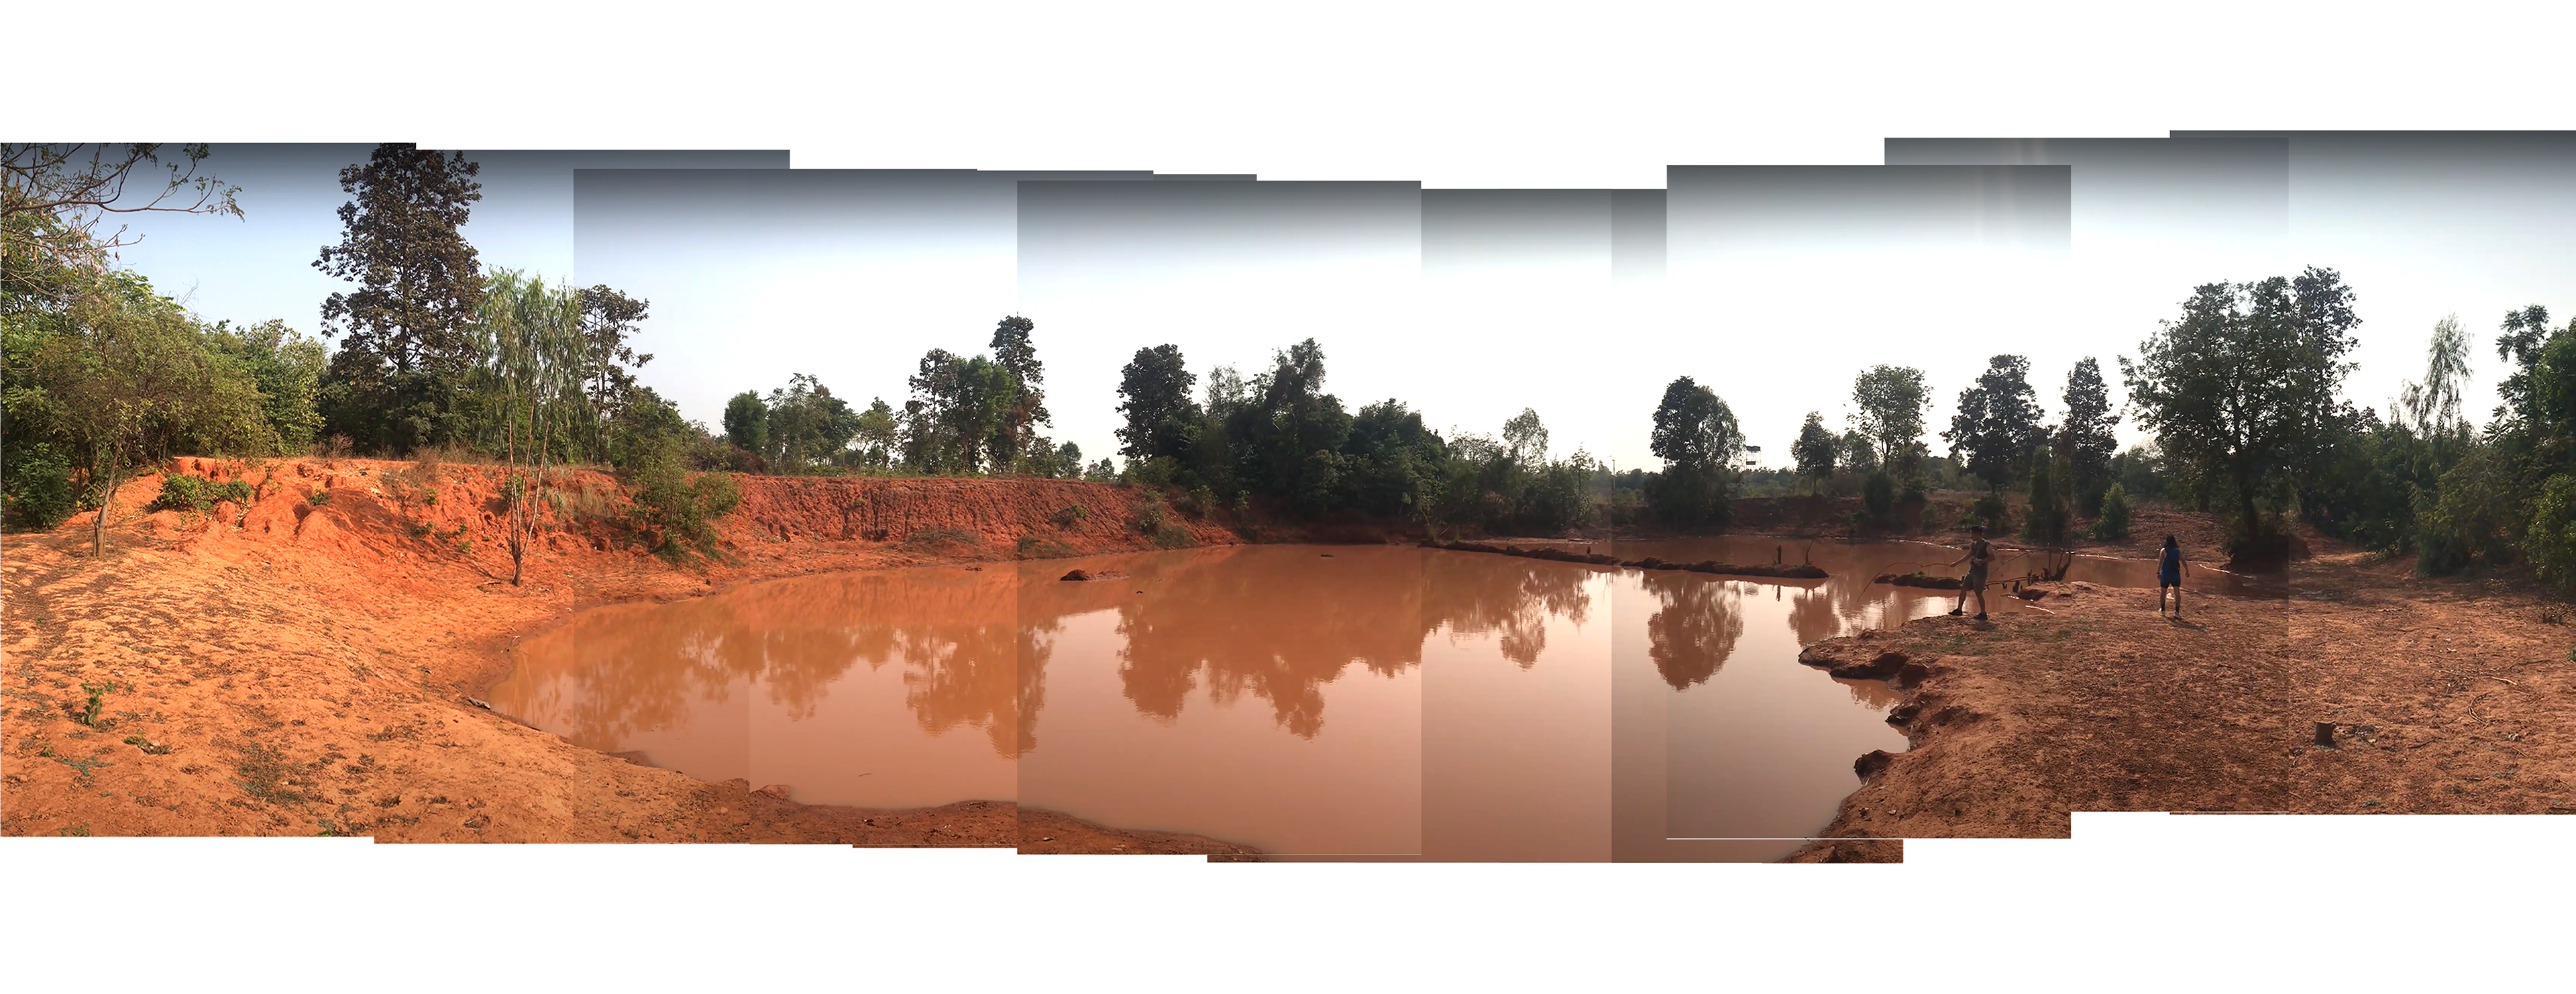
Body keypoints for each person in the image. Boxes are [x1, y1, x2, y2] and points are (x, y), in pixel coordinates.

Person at [1947, 525, 1993, 621]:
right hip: (1972, 571)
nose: (1971, 536)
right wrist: (1956, 563)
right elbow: (1968, 556)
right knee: (1963, 589)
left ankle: (1983, 614)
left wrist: (1981, 561)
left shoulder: (1986, 545)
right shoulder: (1974, 545)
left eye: (1972, 534)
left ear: (1977, 534)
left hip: (1981, 573)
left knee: (1978, 593)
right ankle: (1959, 610)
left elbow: (1992, 557)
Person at [2158, 535, 2187, 617]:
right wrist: (2187, 571)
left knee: (2163, 592)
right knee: (2177, 593)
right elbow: (2183, 562)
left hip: (2166, 574)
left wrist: (2158, 572)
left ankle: (2163, 610)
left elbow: (2160, 563)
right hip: (2175, 575)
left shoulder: (2164, 551)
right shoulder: (2178, 551)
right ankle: (2177, 612)